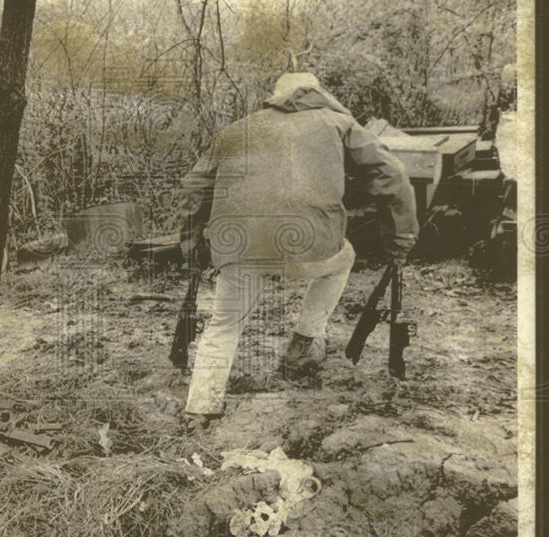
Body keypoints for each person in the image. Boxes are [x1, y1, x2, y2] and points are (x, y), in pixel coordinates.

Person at [179, 72, 418, 427]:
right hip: (312, 248)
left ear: (274, 97)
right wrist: (399, 242)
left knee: (224, 324)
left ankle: (200, 406)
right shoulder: (339, 122)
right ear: (318, 93)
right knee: (344, 257)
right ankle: (305, 342)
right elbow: (392, 173)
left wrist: (193, 246)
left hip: (239, 246)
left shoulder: (237, 128)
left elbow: (194, 189)